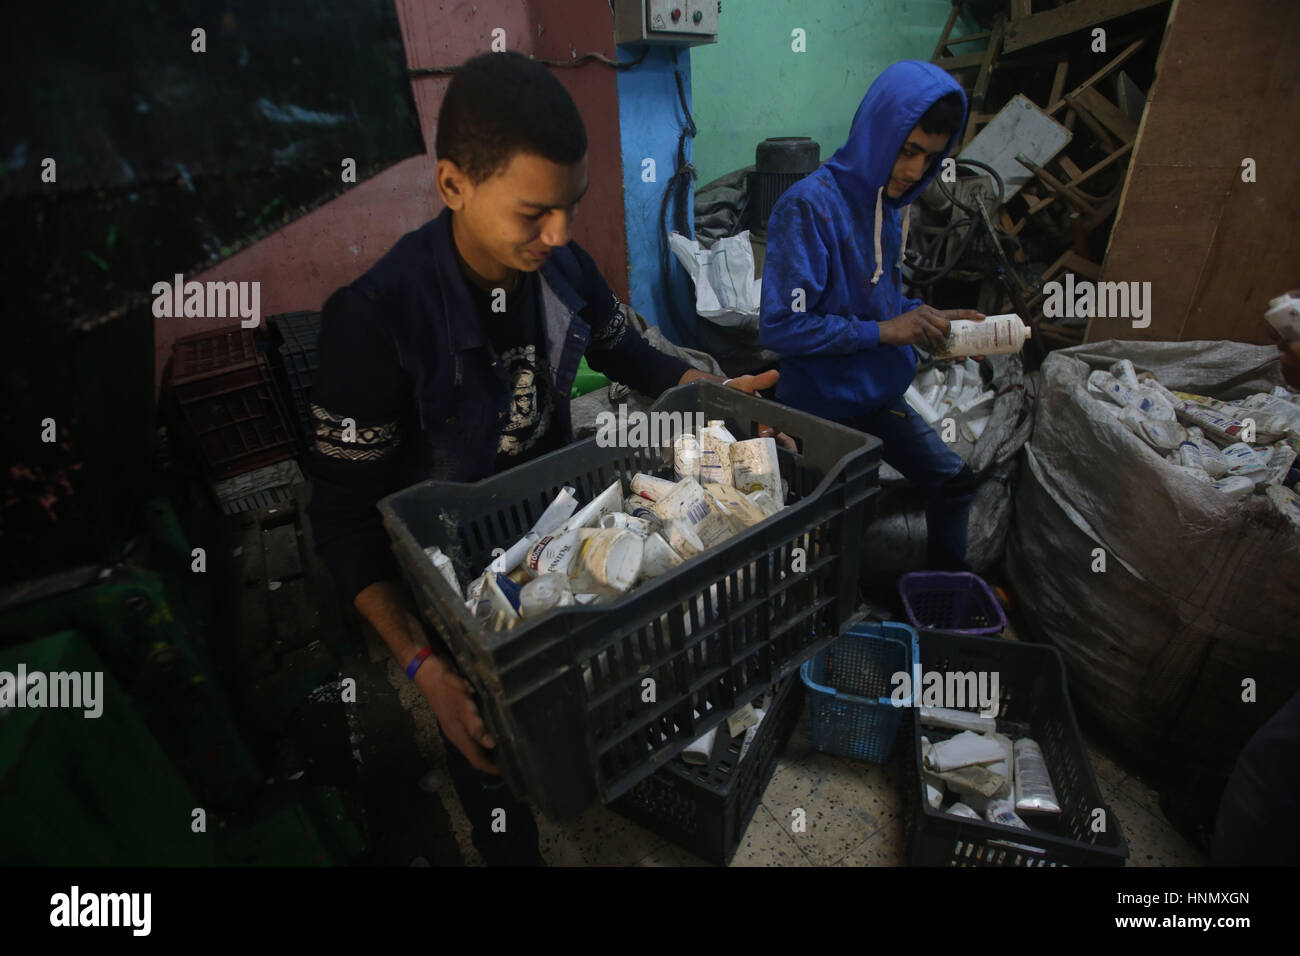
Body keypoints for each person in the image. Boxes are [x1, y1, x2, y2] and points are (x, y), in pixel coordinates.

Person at [305, 51, 777, 866]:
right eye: (534, 213)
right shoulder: (375, 324)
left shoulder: (561, 269)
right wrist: (425, 667)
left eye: (571, 206)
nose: (558, 234)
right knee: (493, 762)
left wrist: (721, 399)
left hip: (554, 536)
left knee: (590, 702)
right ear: (453, 185)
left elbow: (636, 357)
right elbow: (343, 522)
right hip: (453, 580)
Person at [759, 60, 984, 572]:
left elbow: (878, 305)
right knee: (838, 535)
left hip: (879, 394)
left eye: (929, 157)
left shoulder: (893, 206)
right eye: (906, 151)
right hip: (822, 405)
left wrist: (924, 317)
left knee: (954, 483)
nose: (913, 170)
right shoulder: (809, 208)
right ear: (878, 134)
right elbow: (782, 326)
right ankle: (835, 615)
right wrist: (884, 331)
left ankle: (944, 597)